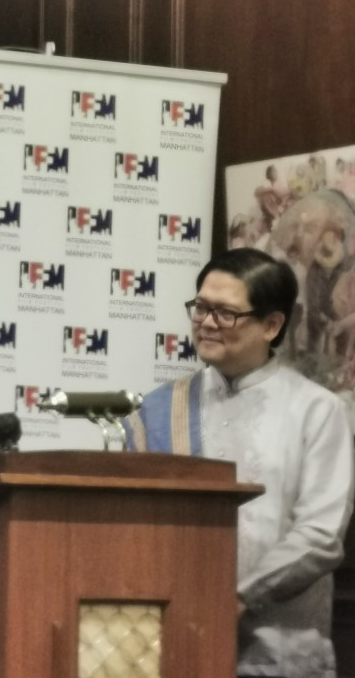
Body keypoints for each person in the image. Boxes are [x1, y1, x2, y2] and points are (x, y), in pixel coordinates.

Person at [124, 247, 354, 678]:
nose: (207, 323)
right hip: (173, 647)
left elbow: (321, 535)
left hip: (281, 655)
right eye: (201, 308)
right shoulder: (159, 411)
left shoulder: (316, 410)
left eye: (226, 313)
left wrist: (238, 596)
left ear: (272, 325)